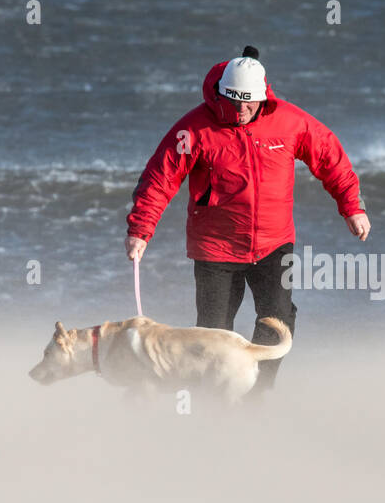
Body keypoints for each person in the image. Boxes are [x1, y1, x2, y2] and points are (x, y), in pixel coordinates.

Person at [125, 46, 370, 394]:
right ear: (220, 93)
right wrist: (140, 230)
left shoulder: (288, 121)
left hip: (273, 244)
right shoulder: (193, 129)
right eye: (233, 101)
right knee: (212, 334)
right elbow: (159, 178)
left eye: (248, 103)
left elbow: (329, 156)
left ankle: (256, 392)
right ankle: (212, 406)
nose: (241, 110)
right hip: (215, 250)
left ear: (263, 97)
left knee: (279, 322)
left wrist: (352, 206)